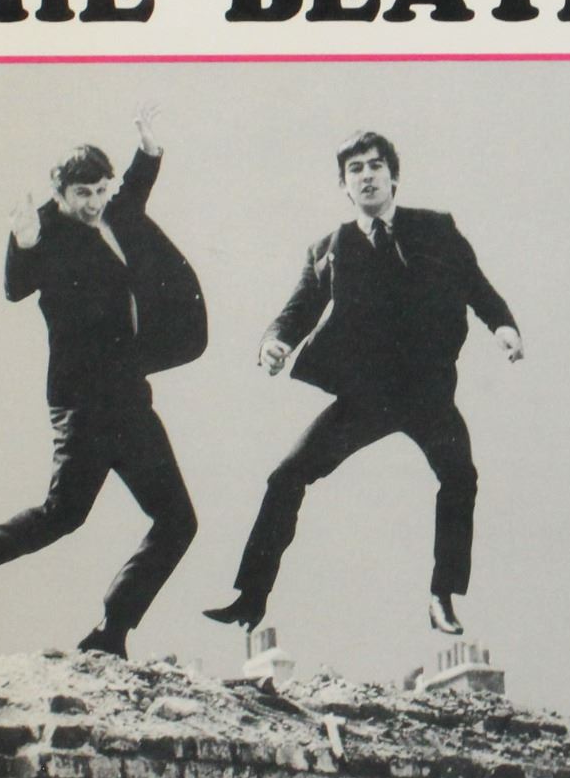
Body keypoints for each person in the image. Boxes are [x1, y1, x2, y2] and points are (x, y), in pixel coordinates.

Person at [203, 131, 522, 638]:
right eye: (355, 169)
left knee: (460, 476)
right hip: (366, 396)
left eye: (376, 165)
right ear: (343, 185)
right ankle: (251, 596)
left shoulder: (436, 228)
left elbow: (477, 286)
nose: (367, 175)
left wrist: (503, 326)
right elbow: (297, 310)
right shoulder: (328, 249)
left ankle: (442, 596)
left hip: (428, 392)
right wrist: (273, 343)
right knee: (286, 476)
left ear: (394, 176)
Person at [0, 102, 205, 657]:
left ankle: (111, 631)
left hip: (130, 402)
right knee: (63, 516)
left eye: (100, 191)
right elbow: (17, 287)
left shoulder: (114, 216)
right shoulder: (48, 229)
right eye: (83, 194)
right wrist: (23, 242)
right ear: (60, 193)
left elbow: (135, 188)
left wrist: (148, 148)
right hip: (81, 405)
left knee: (178, 522)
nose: (94, 203)